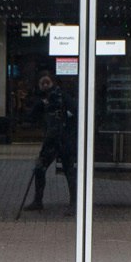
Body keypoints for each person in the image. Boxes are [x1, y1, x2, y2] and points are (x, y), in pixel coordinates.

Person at [20, 72, 76, 214]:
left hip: (62, 139)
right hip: (51, 140)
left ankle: (74, 203)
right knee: (40, 169)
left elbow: (75, 111)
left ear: (52, 83)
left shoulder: (62, 97)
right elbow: (31, 117)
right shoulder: (42, 100)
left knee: (68, 171)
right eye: (42, 83)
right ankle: (38, 201)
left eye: (47, 83)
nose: (45, 86)